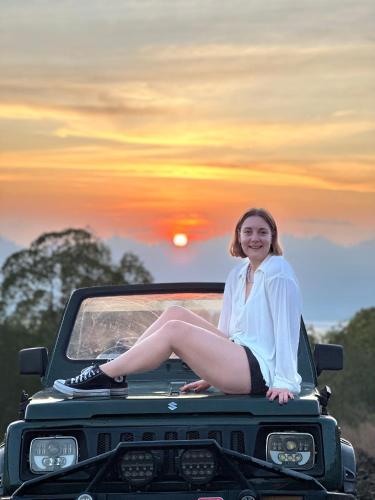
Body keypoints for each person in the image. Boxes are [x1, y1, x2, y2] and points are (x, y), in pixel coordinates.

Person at [54, 208, 302, 404]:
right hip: (238, 362)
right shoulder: (238, 274)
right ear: (239, 236)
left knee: (175, 330)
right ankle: (117, 374)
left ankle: (102, 375)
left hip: (262, 371)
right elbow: (226, 335)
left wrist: (285, 383)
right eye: (248, 232)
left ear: (272, 237)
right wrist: (212, 373)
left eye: (262, 232)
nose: (254, 238)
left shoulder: (278, 272)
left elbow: (286, 330)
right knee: (175, 313)